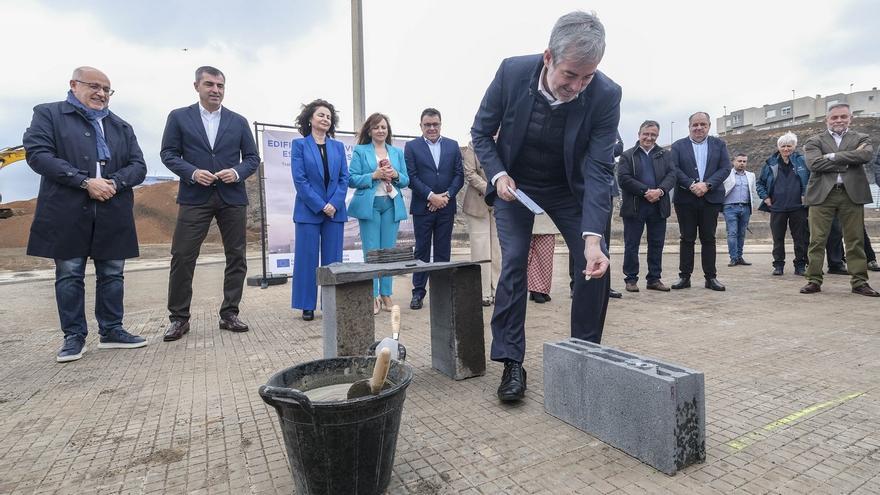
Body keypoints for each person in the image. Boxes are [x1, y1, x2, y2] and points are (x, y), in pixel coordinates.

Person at [471, 11, 620, 402]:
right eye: (570, 74)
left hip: (569, 188)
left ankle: (582, 357)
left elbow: (601, 168)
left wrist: (593, 238)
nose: (577, 86)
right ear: (548, 57)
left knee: (595, 264)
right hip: (515, 186)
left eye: (587, 77)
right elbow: (481, 133)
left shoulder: (606, 94)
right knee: (516, 260)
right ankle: (511, 362)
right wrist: (498, 174)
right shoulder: (512, 73)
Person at [23, 66, 148, 362]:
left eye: (106, 89)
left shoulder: (121, 126)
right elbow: (38, 154)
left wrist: (115, 183)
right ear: (73, 85)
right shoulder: (49, 114)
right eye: (94, 86)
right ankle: (74, 336)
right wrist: (84, 181)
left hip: (112, 207)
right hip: (67, 208)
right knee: (69, 273)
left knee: (113, 273)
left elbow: (138, 165)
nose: (101, 94)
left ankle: (112, 330)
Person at [160, 66, 261, 341]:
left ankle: (230, 313)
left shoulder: (238, 121)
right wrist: (192, 172)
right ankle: (179, 318)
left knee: (237, 256)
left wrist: (237, 172)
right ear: (197, 86)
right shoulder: (179, 117)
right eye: (209, 84)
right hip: (195, 196)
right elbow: (168, 153)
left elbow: (252, 157)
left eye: (220, 85)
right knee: (182, 255)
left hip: (232, 196)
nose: (215, 90)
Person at [801, 103, 878, 296]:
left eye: (843, 117)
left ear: (850, 118)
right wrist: (850, 160)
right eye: (834, 117)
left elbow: (865, 155)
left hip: (851, 194)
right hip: (822, 195)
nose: (839, 120)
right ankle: (814, 280)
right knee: (817, 239)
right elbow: (814, 163)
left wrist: (833, 156)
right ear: (827, 120)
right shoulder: (814, 140)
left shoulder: (862, 138)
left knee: (855, 239)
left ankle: (859, 282)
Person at [289, 100, 350, 320]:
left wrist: (333, 203)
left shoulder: (338, 147)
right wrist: (321, 205)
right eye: (321, 115)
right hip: (309, 211)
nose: (325, 119)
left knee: (333, 260)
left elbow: (344, 178)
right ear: (310, 119)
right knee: (307, 259)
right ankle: (307, 305)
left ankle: (331, 304)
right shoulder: (299, 145)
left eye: (329, 117)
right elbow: (300, 180)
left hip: (335, 211)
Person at [348, 112, 409, 314]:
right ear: (369, 130)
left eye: (384, 127)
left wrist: (396, 174)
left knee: (388, 251)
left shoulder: (397, 152)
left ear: (388, 131)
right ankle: (373, 295)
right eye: (376, 127)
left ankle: (386, 293)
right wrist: (374, 175)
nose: (380, 130)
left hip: (391, 204)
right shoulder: (360, 151)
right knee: (372, 252)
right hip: (370, 204)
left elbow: (406, 180)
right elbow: (352, 179)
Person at [405, 108, 464, 310]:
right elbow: (411, 177)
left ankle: (442, 294)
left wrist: (445, 197)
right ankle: (418, 293)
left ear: (441, 124)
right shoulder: (411, 147)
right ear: (420, 125)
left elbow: (459, 176)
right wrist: (431, 196)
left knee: (443, 251)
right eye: (427, 124)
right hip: (423, 207)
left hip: (446, 207)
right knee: (421, 250)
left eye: (435, 124)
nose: (432, 128)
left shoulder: (453, 146)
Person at [670, 112, 732, 291]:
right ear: (689, 126)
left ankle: (711, 278)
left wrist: (708, 185)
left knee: (709, 239)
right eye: (695, 125)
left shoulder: (719, 145)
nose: (698, 128)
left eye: (702, 124)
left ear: (709, 126)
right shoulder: (678, 146)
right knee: (687, 239)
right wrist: (691, 184)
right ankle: (684, 277)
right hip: (685, 199)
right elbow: (674, 168)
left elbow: (725, 168)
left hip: (710, 198)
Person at [617, 120, 676, 292]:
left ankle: (654, 279)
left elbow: (672, 175)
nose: (649, 138)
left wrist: (660, 191)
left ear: (657, 136)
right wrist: (646, 191)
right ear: (639, 134)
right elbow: (624, 179)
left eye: (653, 135)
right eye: (646, 134)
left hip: (658, 205)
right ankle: (631, 279)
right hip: (635, 207)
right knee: (631, 244)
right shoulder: (627, 155)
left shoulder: (665, 155)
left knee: (657, 243)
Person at [756, 132, 809, 276]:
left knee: (800, 238)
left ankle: (800, 265)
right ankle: (778, 265)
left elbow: (811, 179)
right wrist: (765, 197)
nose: (786, 149)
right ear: (778, 147)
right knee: (777, 238)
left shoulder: (803, 161)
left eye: (789, 146)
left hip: (798, 207)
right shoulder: (770, 163)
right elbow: (760, 183)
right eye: (783, 146)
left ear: (794, 146)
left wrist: (806, 194)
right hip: (777, 207)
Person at [462, 141, 501, 306]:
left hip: (501, 202)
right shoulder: (473, 146)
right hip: (478, 202)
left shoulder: (507, 143)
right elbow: (470, 173)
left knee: (498, 249)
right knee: (480, 249)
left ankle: (499, 290)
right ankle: (483, 292)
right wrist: (491, 190)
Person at [722, 153, 759, 267]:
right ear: (733, 162)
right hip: (730, 207)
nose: (742, 163)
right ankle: (733, 258)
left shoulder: (751, 175)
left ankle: (739, 256)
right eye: (739, 161)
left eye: (744, 161)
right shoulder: (727, 174)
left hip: (745, 207)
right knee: (732, 233)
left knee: (741, 234)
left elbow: (752, 191)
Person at [527, 216, 559, 303]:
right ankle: (535, 288)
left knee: (546, 256)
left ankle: (542, 289)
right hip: (527, 211)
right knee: (531, 255)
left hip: (546, 215)